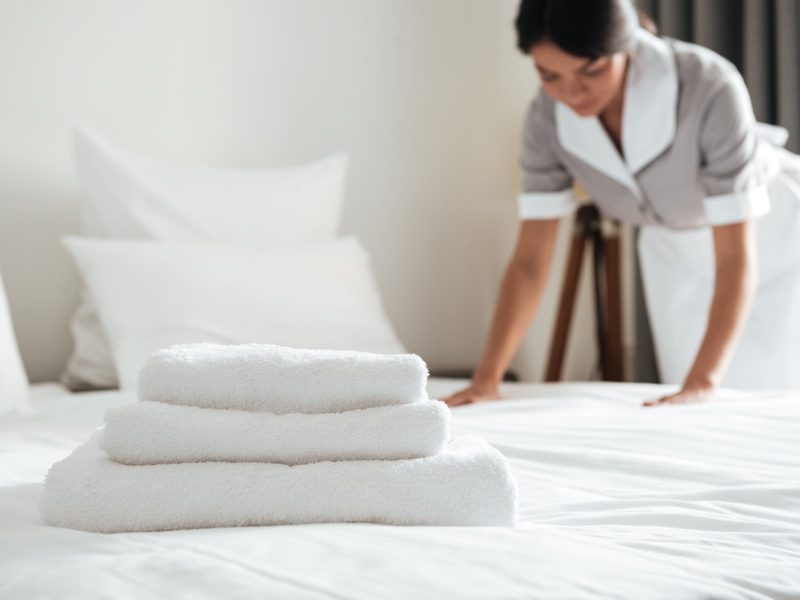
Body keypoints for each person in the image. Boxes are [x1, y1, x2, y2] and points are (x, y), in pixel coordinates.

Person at [444, 0, 800, 408]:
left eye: (590, 70)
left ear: (627, 44)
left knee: (775, 397)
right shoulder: (546, 121)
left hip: (773, 242)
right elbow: (529, 262)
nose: (570, 91)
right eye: (549, 75)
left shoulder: (707, 86)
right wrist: (487, 380)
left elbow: (736, 257)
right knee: (693, 411)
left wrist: (702, 381)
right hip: (672, 249)